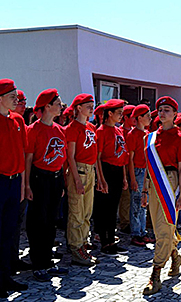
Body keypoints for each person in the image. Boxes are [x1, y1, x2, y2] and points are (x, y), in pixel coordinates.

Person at [142, 96, 181, 295]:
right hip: (154, 184)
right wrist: (144, 190)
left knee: (164, 228)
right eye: (160, 109)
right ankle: (175, 256)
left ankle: (156, 272)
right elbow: (147, 166)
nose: (162, 113)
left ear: (175, 114)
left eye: (167, 110)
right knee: (161, 227)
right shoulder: (150, 137)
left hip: (170, 183)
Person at [25, 88, 69, 282]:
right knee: (38, 221)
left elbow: (63, 157)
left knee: (51, 221)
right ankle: (38, 264)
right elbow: (28, 159)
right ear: (47, 106)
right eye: (57, 103)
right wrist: (26, 185)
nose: (61, 106)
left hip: (56, 177)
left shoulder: (60, 130)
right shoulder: (33, 130)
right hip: (39, 177)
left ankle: (48, 261)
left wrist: (63, 183)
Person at [0, 79, 29, 297]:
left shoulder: (18, 120)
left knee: (9, 231)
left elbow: (22, 153)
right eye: (12, 97)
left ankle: (6, 276)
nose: (16, 100)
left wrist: (22, 184)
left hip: (14, 181)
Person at [65, 94, 99, 266]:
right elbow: (70, 156)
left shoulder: (91, 127)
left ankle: (83, 243)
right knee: (77, 211)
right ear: (79, 107)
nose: (91, 108)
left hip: (90, 170)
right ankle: (76, 247)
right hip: (78, 170)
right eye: (88, 105)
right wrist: (77, 180)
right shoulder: (72, 128)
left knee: (87, 211)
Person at [93, 99, 128, 256]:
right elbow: (98, 157)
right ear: (110, 114)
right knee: (105, 208)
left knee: (113, 207)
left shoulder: (118, 130)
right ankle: (105, 241)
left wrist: (125, 177)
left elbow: (123, 155)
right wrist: (101, 179)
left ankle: (112, 240)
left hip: (118, 170)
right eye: (119, 113)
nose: (121, 116)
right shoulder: (101, 131)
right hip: (106, 170)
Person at [127, 104, 154, 247]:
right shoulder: (132, 135)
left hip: (146, 171)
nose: (150, 118)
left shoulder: (147, 134)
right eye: (147, 116)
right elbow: (130, 159)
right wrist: (132, 178)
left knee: (144, 202)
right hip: (137, 171)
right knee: (136, 203)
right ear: (139, 118)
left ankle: (142, 232)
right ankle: (135, 233)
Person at [118, 104, 136, 234]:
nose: (135, 119)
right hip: (123, 167)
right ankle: (125, 223)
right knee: (125, 197)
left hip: (135, 168)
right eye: (132, 116)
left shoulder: (135, 131)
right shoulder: (121, 131)